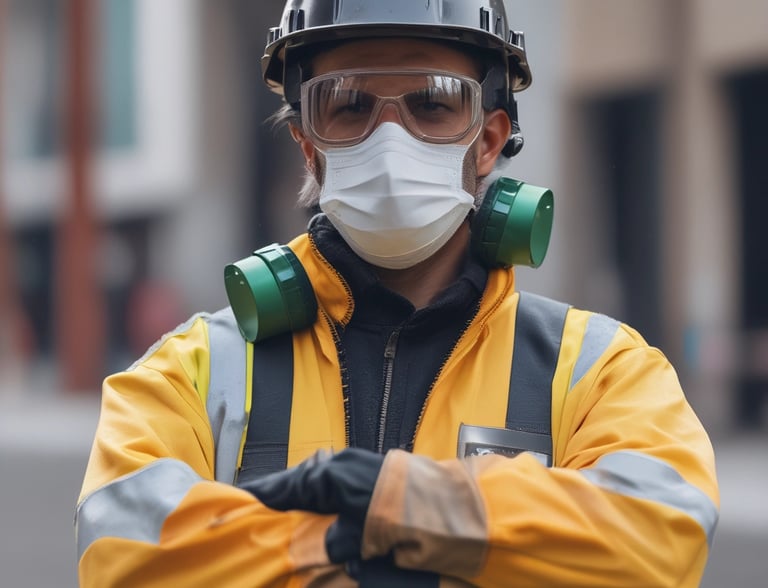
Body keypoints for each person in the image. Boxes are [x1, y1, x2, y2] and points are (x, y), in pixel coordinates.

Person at [75, 1, 719, 586]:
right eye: (348, 104)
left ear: (489, 139)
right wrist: (333, 540)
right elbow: (121, 542)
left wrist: (404, 503)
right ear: (308, 145)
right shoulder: (191, 372)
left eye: (434, 103)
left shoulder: (598, 371)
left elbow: (662, 531)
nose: (391, 138)